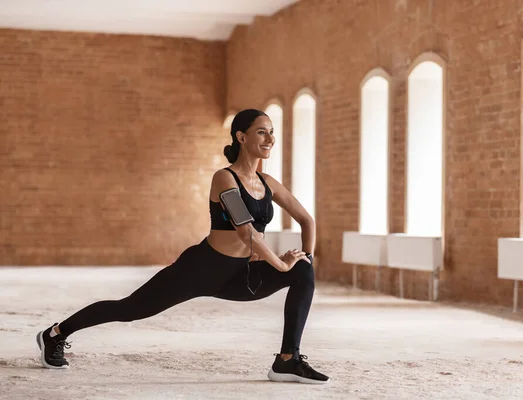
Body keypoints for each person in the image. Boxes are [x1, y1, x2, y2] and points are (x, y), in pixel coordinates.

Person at [36, 109, 330, 384]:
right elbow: (246, 232)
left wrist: (307, 258)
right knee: (130, 309)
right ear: (241, 137)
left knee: (303, 271)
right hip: (202, 269)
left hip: (243, 276)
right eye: (262, 132)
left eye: (272, 132)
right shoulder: (224, 178)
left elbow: (307, 220)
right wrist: (279, 263)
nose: (270, 139)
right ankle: (55, 333)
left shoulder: (268, 183)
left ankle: (287, 359)